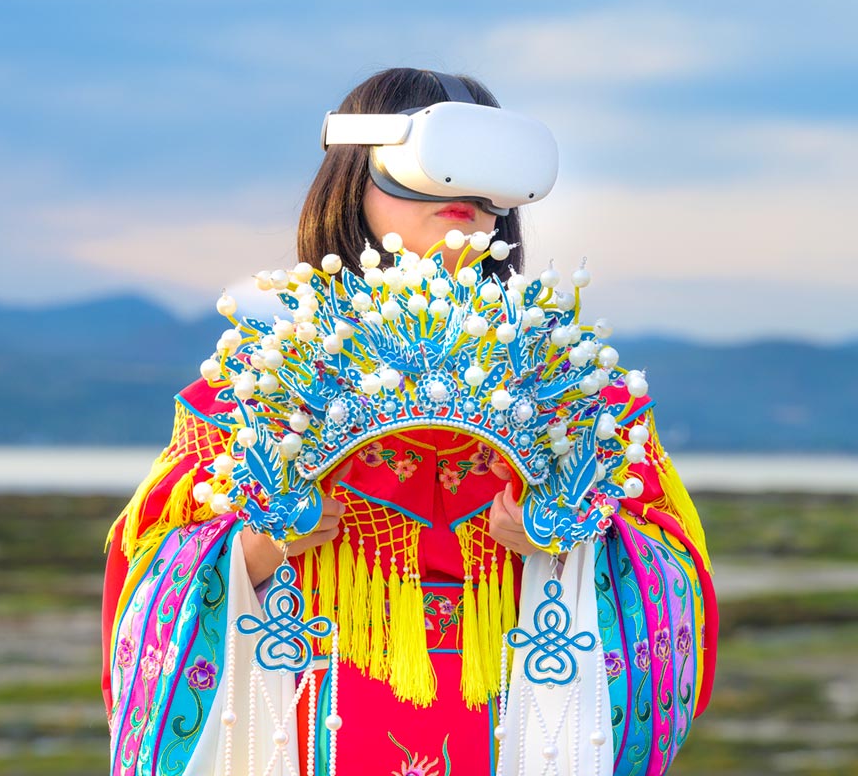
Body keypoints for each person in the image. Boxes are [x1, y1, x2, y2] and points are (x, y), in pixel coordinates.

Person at [102, 67, 717, 776]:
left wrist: (569, 542)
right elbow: (146, 567)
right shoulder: (258, 375)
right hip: (303, 714)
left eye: (488, 176)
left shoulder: (576, 386)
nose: (461, 195)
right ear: (356, 172)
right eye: (432, 165)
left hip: (522, 717)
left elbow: (677, 576)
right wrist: (257, 549)